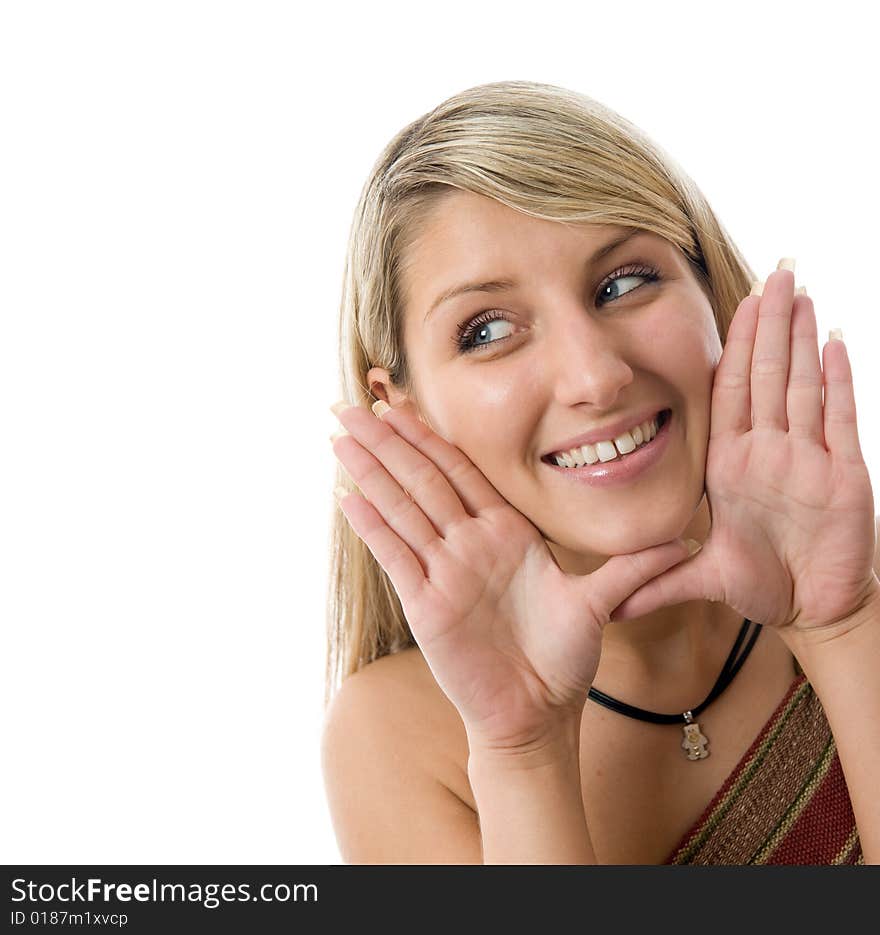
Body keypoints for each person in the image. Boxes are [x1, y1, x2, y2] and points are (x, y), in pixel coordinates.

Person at [320, 80, 880, 865]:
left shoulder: (856, 573)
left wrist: (844, 624)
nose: (595, 376)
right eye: (487, 331)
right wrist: (522, 747)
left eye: (624, 282)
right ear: (404, 413)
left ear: (707, 287)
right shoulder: (397, 734)